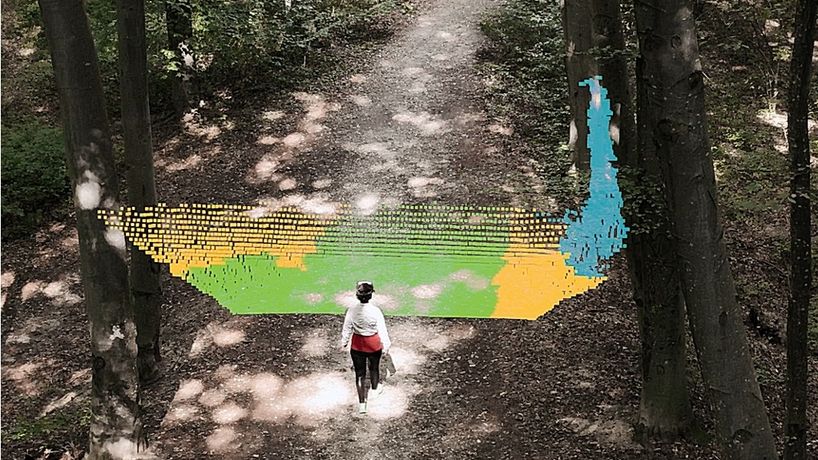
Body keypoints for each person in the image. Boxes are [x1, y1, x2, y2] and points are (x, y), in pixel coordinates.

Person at [339, 281, 391, 414]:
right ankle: (374, 389)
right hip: (373, 343)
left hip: (357, 344)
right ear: (371, 295)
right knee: (374, 368)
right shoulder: (376, 311)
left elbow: (347, 328)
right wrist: (386, 345)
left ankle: (362, 403)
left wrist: (344, 342)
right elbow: (382, 329)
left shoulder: (352, 310)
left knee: (359, 374)